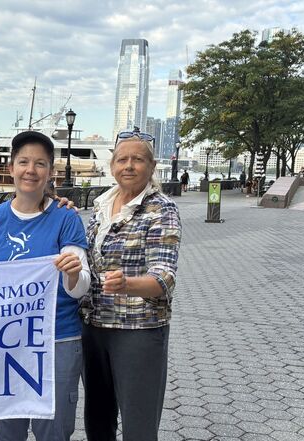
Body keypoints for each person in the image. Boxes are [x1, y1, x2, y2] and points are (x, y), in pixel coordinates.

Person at [0, 131, 90, 441]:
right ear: (10, 168)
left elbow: (80, 287)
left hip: (58, 339)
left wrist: (72, 274)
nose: (31, 170)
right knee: (8, 428)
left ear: (51, 172)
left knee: (53, 428)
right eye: (23, 161)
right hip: (6, 340)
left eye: (40, 163)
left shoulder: (66, 218)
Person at [80, 129, 182, 441]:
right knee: (97, 421)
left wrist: (128, 284)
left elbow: (164, 277)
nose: (129, 165)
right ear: (112, 166)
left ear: (152, 167)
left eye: (138, 159)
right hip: (93, 326)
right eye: (122, 159)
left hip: (138, 330)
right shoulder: (102, 205)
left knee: (138, 425)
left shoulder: (161, 209)